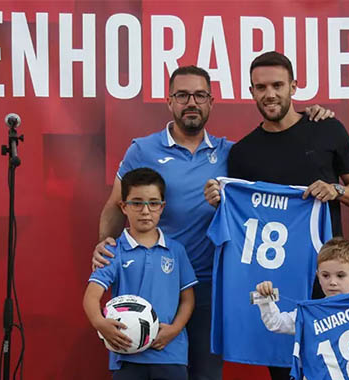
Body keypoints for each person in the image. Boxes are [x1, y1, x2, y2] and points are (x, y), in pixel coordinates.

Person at [91, 65, 334, 380]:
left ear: (211, 102)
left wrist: (311, 119)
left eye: (200, 95)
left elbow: (277, 161)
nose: (191, 102)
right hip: (154, 283)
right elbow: (114, 205)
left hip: (212, 285)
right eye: (182, 95)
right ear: (169, 101)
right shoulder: (143, 149)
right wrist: (104, 244)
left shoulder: (231, 153)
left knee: (206, 374)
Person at [204, 51, 349, 380]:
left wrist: (335, 190)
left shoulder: (327, 129)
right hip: (276, 282)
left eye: (278, 85)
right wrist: (219, 203)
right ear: (250, 91)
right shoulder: (243, 153)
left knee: (333, 370)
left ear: (294, 86)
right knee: (284, 371)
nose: (270, 94)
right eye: (261, 87)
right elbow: (241, 219)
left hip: (326, 279)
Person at [83, 167, 197, 379]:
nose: (145, 211)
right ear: (123, 207)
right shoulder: (113, 251)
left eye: (153, 203)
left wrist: (175, 329)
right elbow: (91, 295)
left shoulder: (176, 251)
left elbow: (188, 299)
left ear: (162, 207)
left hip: (170, 354)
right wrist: (100, 324)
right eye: (136, 203)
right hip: (127, 354)